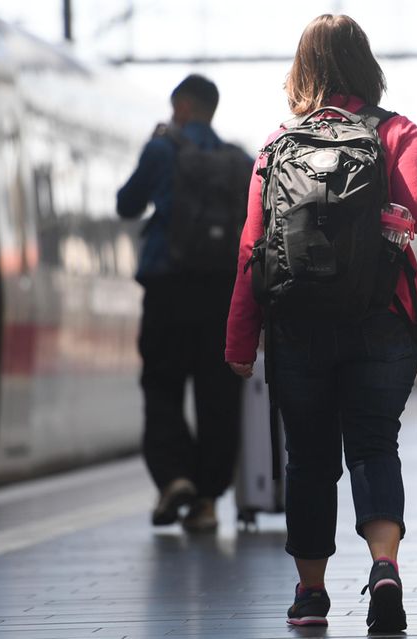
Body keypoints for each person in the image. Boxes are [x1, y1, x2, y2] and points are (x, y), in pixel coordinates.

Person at [225, 15, 417, 633]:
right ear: (367, 66)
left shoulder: (277, 146)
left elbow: (251, 249)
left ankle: (311, 595)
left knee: (308, 457)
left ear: (301, 70)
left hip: (297, 327)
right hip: (381, 321)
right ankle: (384, 568)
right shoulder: (395, 132)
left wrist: (239, 339)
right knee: (373, 444)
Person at [117, 74, 245, 533]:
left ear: (184, 107)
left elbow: (127, 205)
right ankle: (208, 500)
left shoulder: (161, 150)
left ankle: (174, 478)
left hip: (168, 288)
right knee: (218, 395)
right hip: (222, 294)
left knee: (162, 385)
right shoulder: (238, 161)